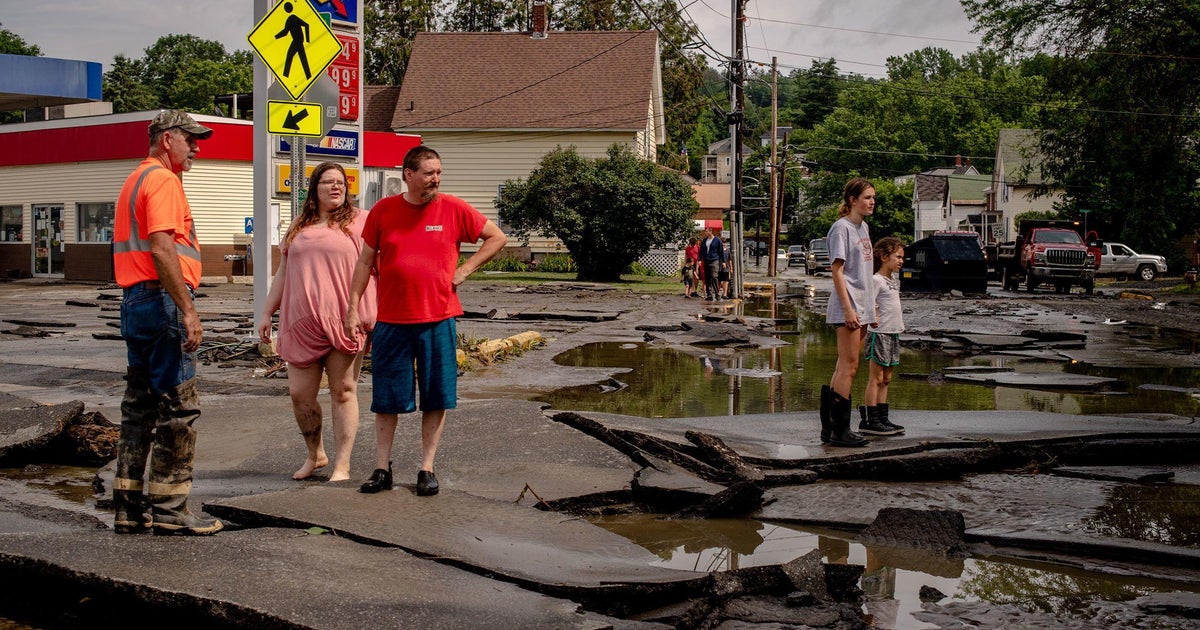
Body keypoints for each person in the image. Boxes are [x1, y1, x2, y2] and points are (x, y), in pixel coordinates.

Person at [344, 145, 506, 496]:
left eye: (439, 173)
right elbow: (364, 262)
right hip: (392, 320)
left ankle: (426, 468)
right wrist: (353, 307)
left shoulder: (453, 208)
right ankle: (381, 468)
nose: (436, 179)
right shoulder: (383, 211)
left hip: (438, 317)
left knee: (436, 395)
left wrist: (465, 269)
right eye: (429, 173)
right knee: (387, 397)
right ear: (409, 175)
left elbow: (497, 237)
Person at [110, 110, 222, 535]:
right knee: (179, 406)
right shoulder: (163, 180)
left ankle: (128, 507)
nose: (196, 148)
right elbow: (161, 247)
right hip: (161, 302)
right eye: (190, 140)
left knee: (139, 406)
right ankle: (171, 509)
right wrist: (188, 310)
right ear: (166, 139)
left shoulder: (135, 178)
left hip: (136, 301)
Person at [257, 162, 377, 482]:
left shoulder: (361, 221)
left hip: (345, 319)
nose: (336, 187)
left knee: (343, 391)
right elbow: (283, 273)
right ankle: (316, 454)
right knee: (300, 394)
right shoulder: (300, 225)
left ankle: (342, 465)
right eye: (328, 182)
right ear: (315, 188)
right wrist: (267, 312)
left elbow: (379, 265)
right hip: (302, 321)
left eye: (341, 183)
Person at [818, 177, 876, 448]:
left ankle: (830, 427)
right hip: (848, 306)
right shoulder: (841, 228)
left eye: (873, 198)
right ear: (852, 200)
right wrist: (848, 308)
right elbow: (837, 271)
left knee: (844, 365)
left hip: (862, 305)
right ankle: (840, 431)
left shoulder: (863, 227)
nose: (872, 202)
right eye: (867, 197)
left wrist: (871, 308)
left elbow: (864, 273)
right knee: (849, 367)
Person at [859, 236, 906, 436]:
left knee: (887, 378)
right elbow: (867, 300)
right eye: (898, 257)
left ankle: (883, 417)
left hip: (893, 332)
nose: (901, 261)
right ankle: (871, 420)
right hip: (879, 334)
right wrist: (874, 313)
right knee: (876, 378)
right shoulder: (876, 279)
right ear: (884, 257)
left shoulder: (893, 280)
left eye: (902, 257)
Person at [698, 229, 726, 301]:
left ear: (711, 232)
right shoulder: (704, 241)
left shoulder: (717, 240)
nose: (705, 232)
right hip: (706, 260)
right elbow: (701, 251)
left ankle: (717, 294)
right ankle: (709, 294)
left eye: (707, 231)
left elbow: (721, 251)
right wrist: (699, 259)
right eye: (705, 231)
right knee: (707, 277)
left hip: (714, 260)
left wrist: (723, 261)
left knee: (714, 276)